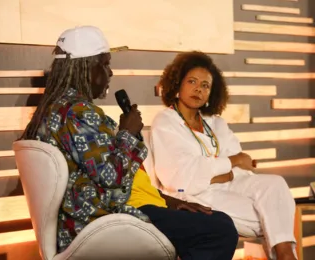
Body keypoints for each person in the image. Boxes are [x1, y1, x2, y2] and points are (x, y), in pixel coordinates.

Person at [20, 26, 238, 259]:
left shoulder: (56, 110)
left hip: (111, 209)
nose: (110, 73)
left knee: (213, 220)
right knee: (220, 229)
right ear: (85, 67)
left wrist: (168, 201)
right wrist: (127, 132)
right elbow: (111, 177)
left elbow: (110, 175)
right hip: (107, 218)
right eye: (104, 64)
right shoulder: (77, 113)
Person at [150, 51, 297, 260]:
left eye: (205, 85)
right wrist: (230, 163)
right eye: (192, 81)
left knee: (275, 185)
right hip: (196, 195)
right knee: (272, 216)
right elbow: (182, 177)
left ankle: (287, 255)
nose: (198, 89)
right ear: (178, 84)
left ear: (212, 92)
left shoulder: (216, 122)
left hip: (230, 184)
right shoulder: (166, 122)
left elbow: (242, 169)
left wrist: (219, 172)